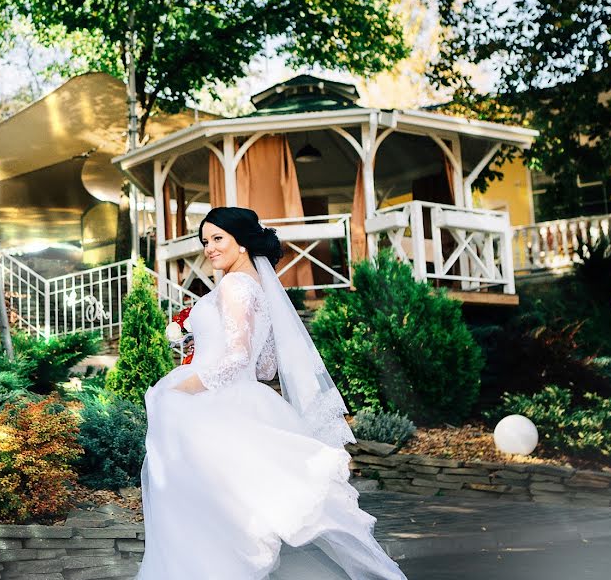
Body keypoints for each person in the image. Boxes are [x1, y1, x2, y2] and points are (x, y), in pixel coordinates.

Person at [136, 207, 408, 580]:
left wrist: (182, 386)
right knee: (227, 505)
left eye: (218, 239)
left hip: (212, 405)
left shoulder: (233, 285)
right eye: (205, 241)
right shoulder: (256, 286)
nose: (209, 249)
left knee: (196, 506)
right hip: (242, 398)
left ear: (242, 242)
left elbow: (236, 359)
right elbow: (263, 369)